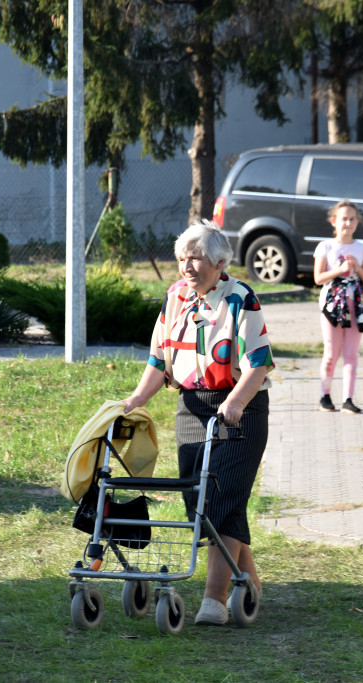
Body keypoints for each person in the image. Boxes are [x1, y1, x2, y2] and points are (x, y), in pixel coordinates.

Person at [122, 218, 274, 627]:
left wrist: (238, 401)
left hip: (240, 408)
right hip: (192, 407)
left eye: (197, 258)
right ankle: (249, 583)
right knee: (202, 504)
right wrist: (136, 399)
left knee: (223, 498)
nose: (188, 267)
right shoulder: (175, 297)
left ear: (220, 261)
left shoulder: (240, 296)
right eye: (182, 259)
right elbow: (159, 358)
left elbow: (258, 363)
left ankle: (215, 600)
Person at [313, 199, 363, 414]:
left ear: (357, 222)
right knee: (331, 352)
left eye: (352, 219)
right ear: (334, 222)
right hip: (332, 305)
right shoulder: (325, 247)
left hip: (355, 304)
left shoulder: (362, 248)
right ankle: (325, 396)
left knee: (351, 353)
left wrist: (355, 266)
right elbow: (318, 278)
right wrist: (340, 269)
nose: (347, 223)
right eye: (343, 219)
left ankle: (348, 398)